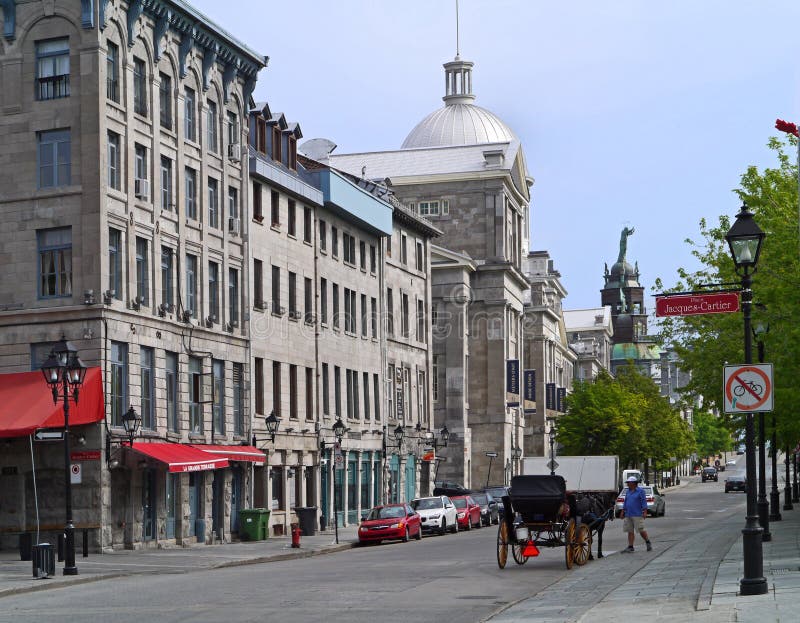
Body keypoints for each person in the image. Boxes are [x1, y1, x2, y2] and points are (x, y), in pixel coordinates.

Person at [620, 476, 652, 552]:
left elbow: (644, 501)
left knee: (641, 530)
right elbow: (625, 502)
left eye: (629, 483)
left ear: (634, 483)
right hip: (628, 514)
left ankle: (647, 541)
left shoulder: (640, 491)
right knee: (630, 530)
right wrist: (622, 511)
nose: (627, 484)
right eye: (627, 483)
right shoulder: (628, 492)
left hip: (637, 514)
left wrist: (645, 511)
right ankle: (630, 546)